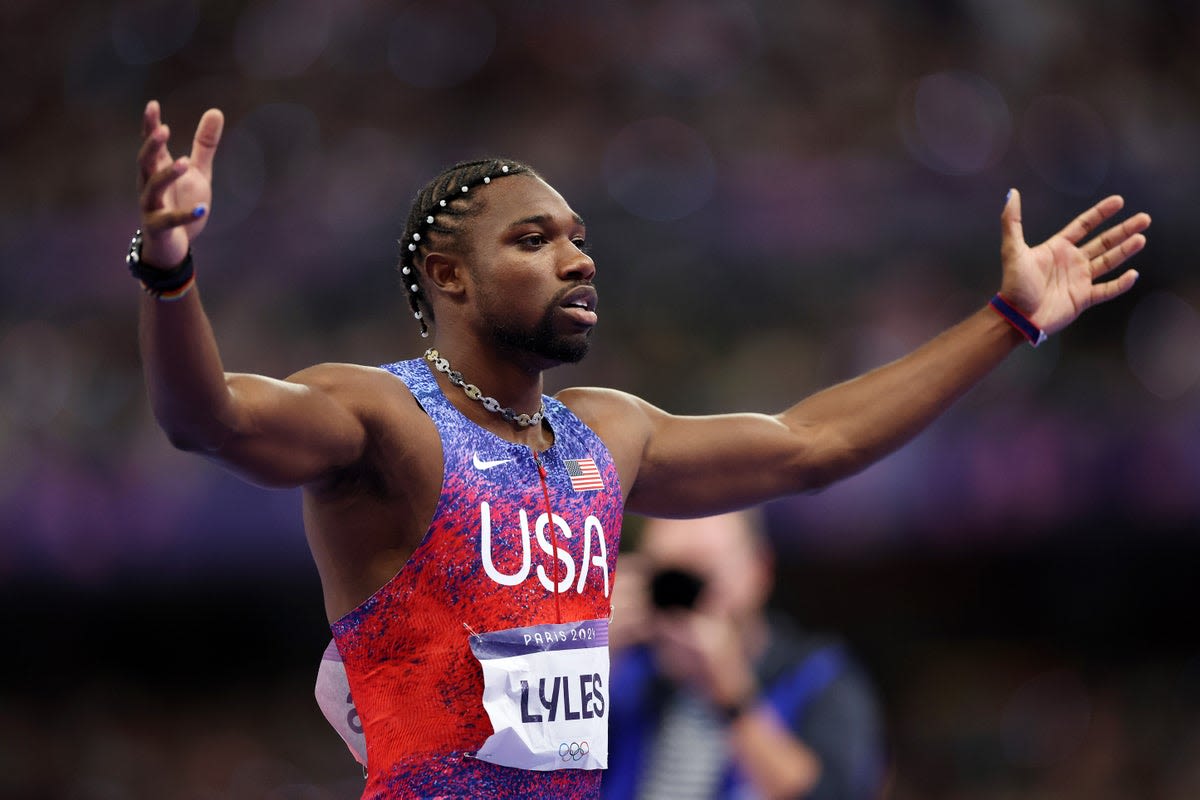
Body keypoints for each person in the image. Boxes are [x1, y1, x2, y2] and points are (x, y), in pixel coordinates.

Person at [131, 99, 1148, 799]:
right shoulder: (384, 420)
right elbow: (206, 417)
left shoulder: (607, 432)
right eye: (533, 239)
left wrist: (1008, 320)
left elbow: (815, 443)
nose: (578, 255)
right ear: (448, 274)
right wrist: (170, 271)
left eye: (577, 234)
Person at [602, 511, 885, 800]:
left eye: (703, 574)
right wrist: (593, 657)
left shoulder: (819, 675)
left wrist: (733, 698)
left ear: (759, 571)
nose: (684, 601)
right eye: (666, 577)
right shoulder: (629, 672)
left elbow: (834, 792)